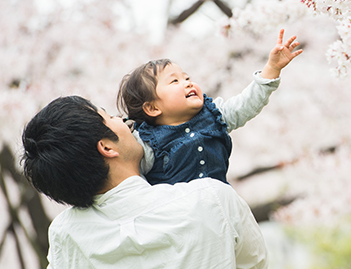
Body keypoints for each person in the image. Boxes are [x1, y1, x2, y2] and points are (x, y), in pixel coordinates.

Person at [21, 95, 268, 269]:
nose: (125, 120)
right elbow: (255, 263)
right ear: (107, 147)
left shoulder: (64, 234)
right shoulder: (211, 198)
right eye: (109, 117)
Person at [117, 29, 302, 185]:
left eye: (187, 78)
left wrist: (272, 68)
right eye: (174, 81)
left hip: (219, 207)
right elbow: (131, 183)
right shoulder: (145, 143)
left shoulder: (214, 115)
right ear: (152, 108)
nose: (188, 83)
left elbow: (246, 103)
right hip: (177, 217)